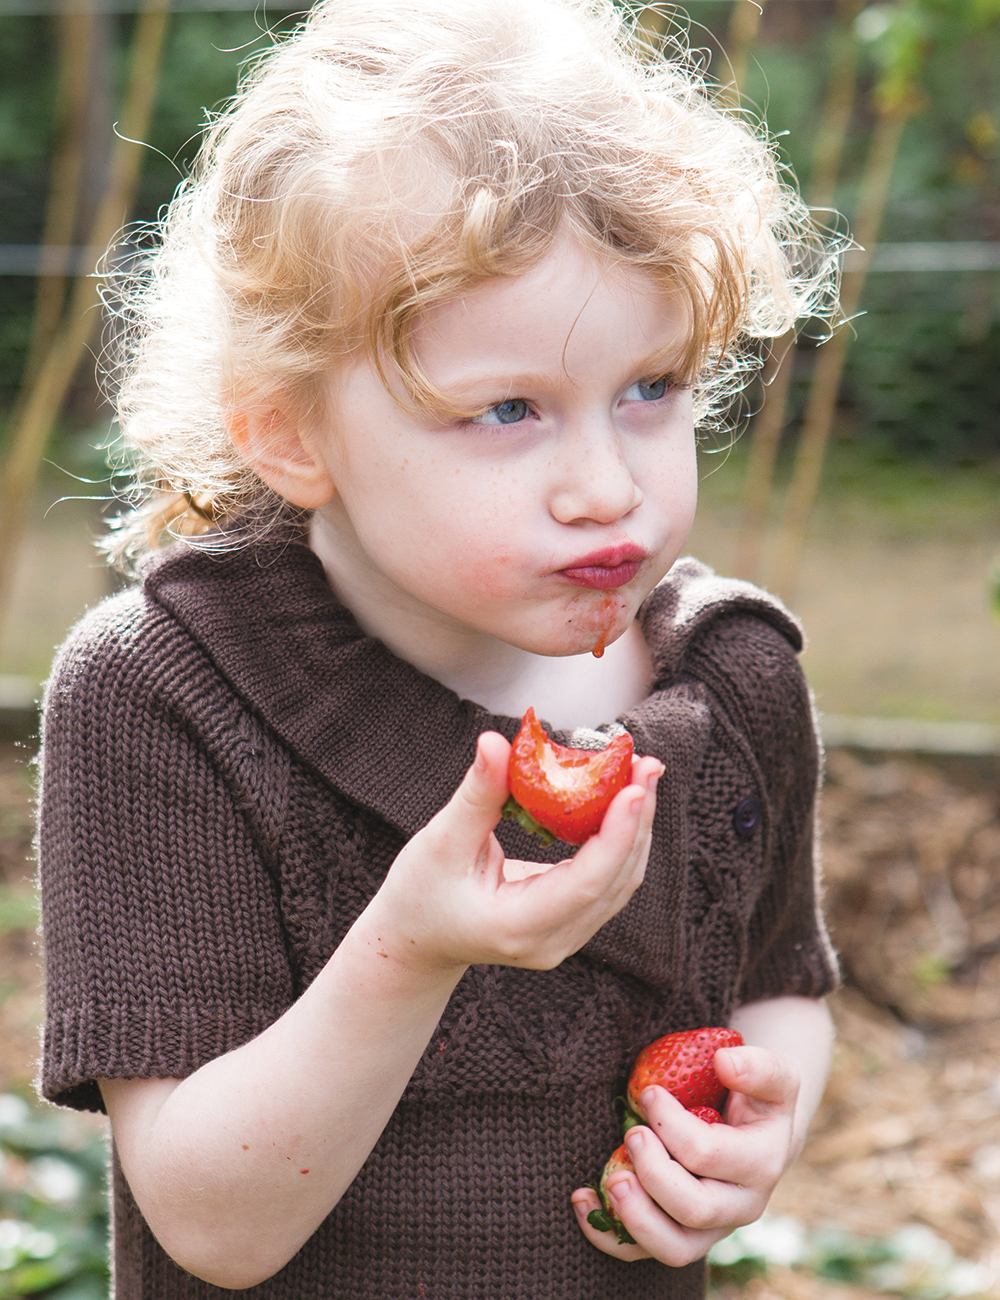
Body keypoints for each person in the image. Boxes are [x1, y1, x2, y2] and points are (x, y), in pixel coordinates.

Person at [37, 1, 840, 1297]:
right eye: (507, 409)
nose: (605, 487)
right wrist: (409, 949)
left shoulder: (733, 686)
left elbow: (782, 987)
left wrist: (765, 1116)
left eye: (650, 387)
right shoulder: (166, 697)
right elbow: (215, 1226)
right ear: (294, 435)